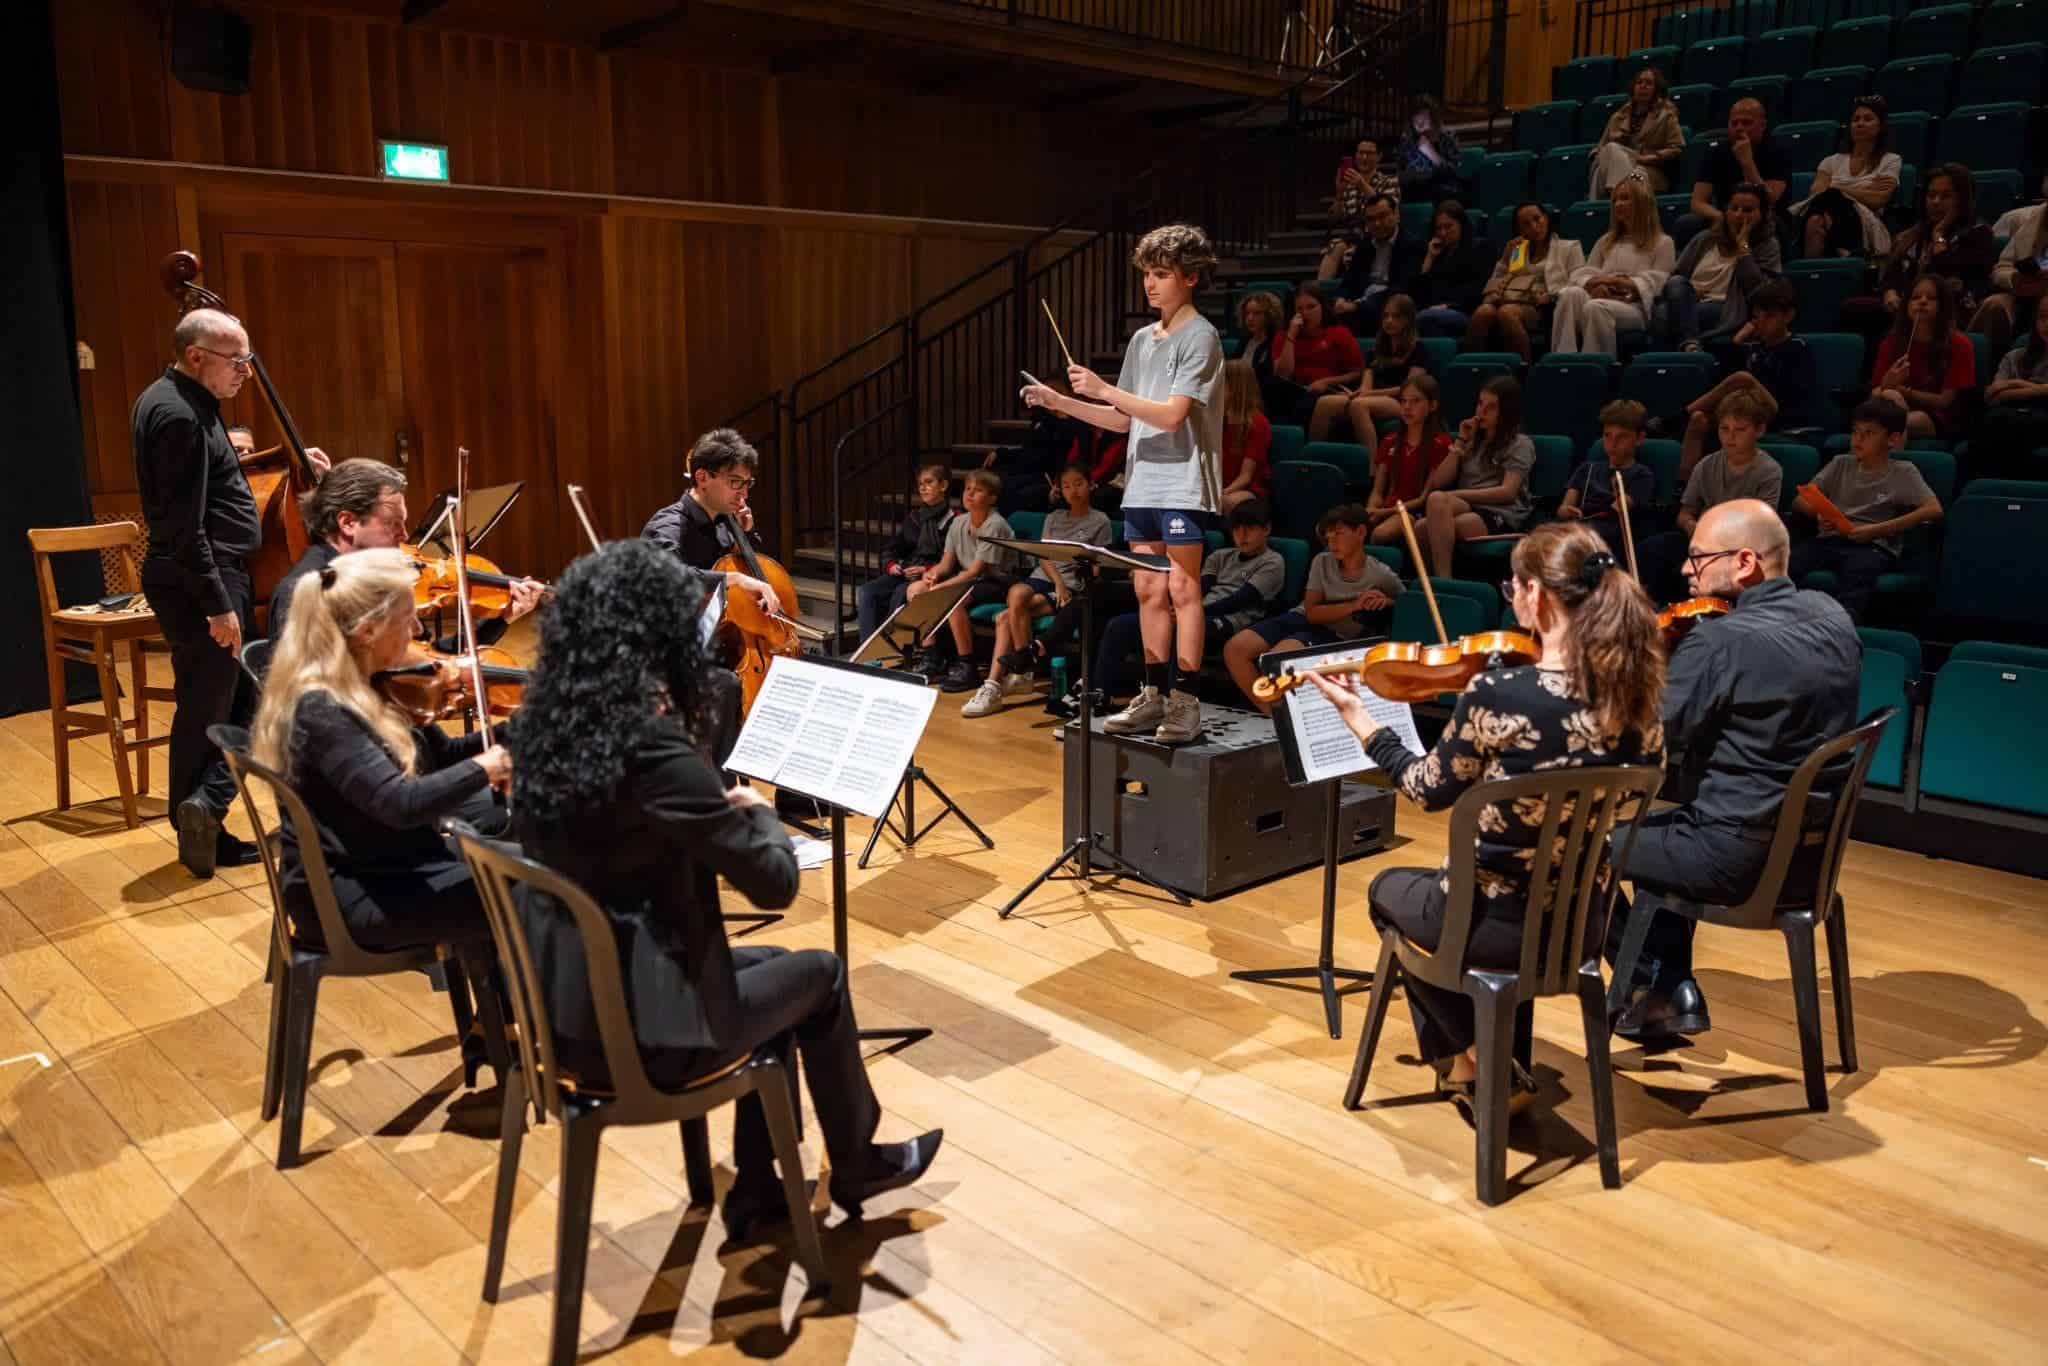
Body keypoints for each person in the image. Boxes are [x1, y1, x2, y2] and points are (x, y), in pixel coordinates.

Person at [506, 539, 942, 1239]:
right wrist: (760, 817)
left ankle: (764, 1188)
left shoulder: (536, 732)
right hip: (650, 1033)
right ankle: (849, 1163)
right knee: (821, 977)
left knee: (773, 969)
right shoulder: (651, 751)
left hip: (563, 1010)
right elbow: (772, 887)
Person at [1309, 522, 1665, 1113]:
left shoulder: (1500, 695)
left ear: (1539, 598)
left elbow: (1427, 790)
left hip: (1492, 922)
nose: (1513, 600)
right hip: (1582, 926)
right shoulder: (1641, 699)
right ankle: (1482, 1064)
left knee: (1386, 891)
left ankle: (1468, 1064)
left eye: (1514, 589)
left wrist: (1364, 722)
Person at [1606, 499, 1858, 1039]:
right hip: (1809, 859)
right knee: (1676, 824)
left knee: (1569, 847)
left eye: (1697, 559)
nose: (1684, 571)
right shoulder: (1831, 614)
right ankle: (1666, 994)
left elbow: (1644, 743)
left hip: (1734, 859)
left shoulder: (1720, 639)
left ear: (1744, 562)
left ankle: (1654, 983)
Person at [133, 307, 331, 877]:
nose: (247, 369)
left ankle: (204, 813)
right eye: (236, 359)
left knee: (235, 700)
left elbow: (217, 480)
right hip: (207, 578)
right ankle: (200, 824)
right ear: (196, 356)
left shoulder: (185, 403)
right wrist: (218, 604)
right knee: (210, 707)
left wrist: (287, 457)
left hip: (216, 572)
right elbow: (184, 525)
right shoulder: (179, 417)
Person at [248, 548, 510, 968]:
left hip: (388, 864)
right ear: (369, 630)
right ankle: (530, 1027)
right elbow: (400, 805)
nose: (419, 629)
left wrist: (519, 732)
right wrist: (490, 765)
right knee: (540, 893)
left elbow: (441, 755)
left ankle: (499, 1028)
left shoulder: (371, 684)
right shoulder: (322, 709)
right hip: (354, 896)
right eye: (408, 619)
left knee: (529, 862)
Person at [1023, 223, 1225, 743]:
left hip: (1182, 483)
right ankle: (1154, 693)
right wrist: (1062, 401)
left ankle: (1187, 701)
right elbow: (1124, 419)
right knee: (1147, 588)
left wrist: (1106, 387)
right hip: (1143, 485)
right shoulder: (1142, 339)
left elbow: (1173, 415)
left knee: (1183, 588)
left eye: (1162, 275)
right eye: (1147, 275)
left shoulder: (1201, 337)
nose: (1151, 285)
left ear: (1191, 278)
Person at [265, 458, 545, 643]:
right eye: (392, 523)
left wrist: (504, 617)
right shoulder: (306, 593)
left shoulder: (369, 579)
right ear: (348, 523)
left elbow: (431, 666)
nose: (403, 534)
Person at [961, 464, 1110, 717]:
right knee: (1017, 594)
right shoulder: (1053, 517)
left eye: (1078, 484)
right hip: (1046, 579)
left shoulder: (1100, 520)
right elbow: (1044, 556)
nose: (1072, 490)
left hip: (1072, 585)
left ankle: (1000, 682)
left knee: (1005, 617)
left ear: (1090, 485)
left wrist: (1076, 587)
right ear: (1059, 490)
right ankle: (1024, 669)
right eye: (1066, 486)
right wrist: (1058, 584)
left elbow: (1098, 564)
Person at [1222, 504, 1403, 712]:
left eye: (1339, 534)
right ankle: (1272, 715)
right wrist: (1354, 605)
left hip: (1335, 632)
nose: (1331, 542)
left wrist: (1386, 601)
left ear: (1360, 532)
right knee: (1235, 649)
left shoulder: (1380, 574)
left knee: (1276, 662)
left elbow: (1406, 602)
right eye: (1328, 536)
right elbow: (1312, 611)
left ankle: (1281, 720)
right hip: (1302, 617)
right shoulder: (1322, 560)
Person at [1099, 497, 1284, 698]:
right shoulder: (1221, 556)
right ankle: (1105, 692)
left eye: (1250, 528)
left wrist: (1186, 615)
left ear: (1266, 529)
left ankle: (1171, 698)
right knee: (1119, 625)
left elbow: (1241, 600)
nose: (1242, 535)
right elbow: (1200, 588)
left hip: (1232, 621)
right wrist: (1177, 610)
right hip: (1194, 612)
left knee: (1179, 629)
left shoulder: (1272, 562)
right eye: (1237, 529)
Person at [1790, 398, 1942, 621]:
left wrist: (1877, 530)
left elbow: (1934, 509)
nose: (1858, 439)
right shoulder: (1841, 463)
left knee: (1860, 570)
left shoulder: (1903, 472)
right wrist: (1819, 514)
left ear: (1893, 439)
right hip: (1831, 539)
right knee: (1788, 561)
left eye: (1868, 433)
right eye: (1855, 432)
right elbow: (1799, 500)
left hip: (1871, 546)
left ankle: (1841, 625)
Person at [1642, 392, 1782, 601]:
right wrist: (1691, 525)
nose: (1730, 437)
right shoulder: (1706, 465)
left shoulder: (1769, 471)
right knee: (1651, 549)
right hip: (1702, 539)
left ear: (1759, 430)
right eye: (1724, 429)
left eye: (1739, 430)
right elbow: (1684, 512)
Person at [1844, 164, 1997, 340]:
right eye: (1931, 195)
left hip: (1949, 309)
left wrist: (1938, 237)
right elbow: (1892, 274)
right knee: (1853, 308)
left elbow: (1950, 277)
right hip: (1906, 306)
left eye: (1946, 196)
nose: (1936, 202)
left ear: (1962, 200)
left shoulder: (1978, 233)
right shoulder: (1913, 235)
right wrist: (1890, 292)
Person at [1679, 279, 1815, 477]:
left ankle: (1678, 416)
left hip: (1781, 414)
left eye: (1769, 316)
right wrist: (1737, 342)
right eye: (1757, 317)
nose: (1761, 323)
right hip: (1745, 411)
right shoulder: (1753, 348)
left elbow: (1792, 398)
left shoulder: (1798, 347)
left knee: (1743, 378)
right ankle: (1684, 490)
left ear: (1788, 316)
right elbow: (1723, 381)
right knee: (1698, 419)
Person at [903, 468, 1018, 691]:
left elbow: (976, 571)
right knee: (916, 590)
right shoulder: (959, 522)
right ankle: (932, 656)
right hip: (970, 580)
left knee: (951, 598)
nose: (969, 494)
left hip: (998, 582)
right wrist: (933, 575)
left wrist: (941, 587)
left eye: (978, 490)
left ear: (992, 498)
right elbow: (947, 564)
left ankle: (968, 665)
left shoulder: (995, 524)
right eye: (967, 489)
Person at [1417, 375, 1537, 575]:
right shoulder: (1472, 439)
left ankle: (1443, 581)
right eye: (1480, 404)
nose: (1481, 411)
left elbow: (1507, 493)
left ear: (1506, 412)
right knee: (1431, 508)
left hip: (1500, 513)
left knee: (1425, 527)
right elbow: (1438, 482)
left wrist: (1458, 495)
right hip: (1469, 506)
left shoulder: (1520, 443)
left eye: (1491, 407)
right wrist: (1461, 441)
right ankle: (1437, 582)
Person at [1553, 174, 1674, 356]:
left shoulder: (1662, 242)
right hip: (1602, 297)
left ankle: (1596, 367)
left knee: (1596, 308)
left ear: (1642, 202)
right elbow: (1582, 273)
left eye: (1625, 198)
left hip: (1635, 307)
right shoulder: (1606, 241)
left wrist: (1619, 283)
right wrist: (1594, 284)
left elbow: (1660, 282)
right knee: (1570, 294)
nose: (1617, 204)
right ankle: (1563, 359)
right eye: (1615, 200)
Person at [1659, 182, 1781, 350]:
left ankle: (1686, 348)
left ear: (1762, 214)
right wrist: (1689, 293)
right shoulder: (1705, 239)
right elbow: (1674, 277)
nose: (1739, 215)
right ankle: (1690, 347)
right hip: (1687, 300)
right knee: (1675, 285)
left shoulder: (1767, 246)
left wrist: (1743, 247)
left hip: (1725, 308)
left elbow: (1760, 292)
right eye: (1734, 208)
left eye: (1748, 210)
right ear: (1726, 211)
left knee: (1664, 316)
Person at [1465, 202, 1587, 362]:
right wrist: (1504, 260)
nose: (1534, 226)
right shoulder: (1517, 250)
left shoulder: (1569, 247)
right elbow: (1496, 282)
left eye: (1537, 219)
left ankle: (1523, 370)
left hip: (1546, 306)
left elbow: (1578, 282)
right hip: (1514, 299)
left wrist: (1552, 296)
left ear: (1546, 219)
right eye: (1526, 224)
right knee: (1483, 312)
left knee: (1507, 312)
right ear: (1520, 230)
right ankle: (1475, 367)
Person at [1788, 97, 1899, 262]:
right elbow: (1817, 192)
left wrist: (1837, 187)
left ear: (1880, 126)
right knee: (1815, 220)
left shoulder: (1890, 160)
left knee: (1827, 203)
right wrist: (1862, 191)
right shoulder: (1831, 161)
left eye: (1868, 119)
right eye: (1856, 119)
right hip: (1824, 215)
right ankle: (1840, 254)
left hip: (1866, 223)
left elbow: (1878, 200)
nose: (1860, 123)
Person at [1867, 273, 1976, 441]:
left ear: (1943, 306)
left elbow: (1944, 401)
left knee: (1894, 421)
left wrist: (1904, 392)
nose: (1922, 301)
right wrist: (1887, 384)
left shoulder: (1959, 344)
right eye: (1915, 297)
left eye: (1931, 298)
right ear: (1907, 305)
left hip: (1938, 416)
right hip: (1893, 409)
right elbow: (1875, 392)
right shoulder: (1891, 342)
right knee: (1889, 401)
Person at [856, 464, 955, 640]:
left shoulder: (954, 520)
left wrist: (926, 570)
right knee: (867, 591)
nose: (923, 488)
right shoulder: (914, 518)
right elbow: (891, 549)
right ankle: (867, 648)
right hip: (906, 571)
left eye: (928, 482)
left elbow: (953, 561)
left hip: (931, 575)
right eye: (920, 484)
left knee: (901, 592)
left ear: (943, 486)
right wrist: (893, 565)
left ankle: (890, 647)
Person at [1677, 97, 1789, 249]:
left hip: (1763, 217)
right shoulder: (1715, 153)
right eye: (1734, 123)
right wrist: (1721, 217)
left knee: (1772, 225)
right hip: (1726, 215)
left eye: (1746, 122)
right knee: (1687, 223)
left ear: (1762, 126)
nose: (1739, 128)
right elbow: (1697, 203)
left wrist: (1747, 163)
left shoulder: (1777, 151)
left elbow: (1768, 200)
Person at [1558, 400, 1657, 561]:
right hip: (1580, 530)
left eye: (1622, 437)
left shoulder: (1642, 475)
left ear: (1639, 439)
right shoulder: (1587, 469)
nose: (1613, 444)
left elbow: (1617, 509)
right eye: (1607, 436)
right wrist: (1568, 511)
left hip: (1611, 538)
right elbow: (1563, 509)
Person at [1366, 373, 1454, 547]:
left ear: (1432, 406)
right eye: (1403, 401)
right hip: (1386, 508)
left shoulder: (1441, 444)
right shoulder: (1390, 440)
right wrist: (1371, 509)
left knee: (1380, 534)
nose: (1407, 407)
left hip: (1415, 512)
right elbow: (1378, 490)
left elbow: (1422, 499)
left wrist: (1383, 513)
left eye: (1415, 401)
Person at [1324, 292, 1421, 441]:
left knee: (1358, 405)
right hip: (1371, 398)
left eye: (1396, 316)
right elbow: (1365, 386)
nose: (1389, 321)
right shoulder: (1374, 351)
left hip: (1401, 401)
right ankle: (1312, 457)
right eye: (1386, 316)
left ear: (1408, 320)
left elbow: (1407, 389)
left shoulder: (1418, 350)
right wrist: (1357, 393)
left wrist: (1366, 395)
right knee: (1325, 403)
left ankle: (1372, 462)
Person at [1268, 283, 1367, 429]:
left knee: (1307, 403)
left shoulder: (1338, 333)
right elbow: (1283, 374)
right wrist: (1291, 336)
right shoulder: (1284, 335)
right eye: (1299, 309)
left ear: (1322, 307)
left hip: (1326, 392)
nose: (1305, 313)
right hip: (1294, 391)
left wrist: (1327, 382)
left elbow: (1357, 372)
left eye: (1311, 307)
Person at [1333, 194, 1425, 339]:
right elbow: (1350, 279)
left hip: (1389, 305)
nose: (1376, 223)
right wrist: (1340, 298)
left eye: (1382, 216)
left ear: (1396, 215)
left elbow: (1402, 288)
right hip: (1360, 304)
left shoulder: (1411, 244)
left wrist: (1358, 306)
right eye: (1370, 219)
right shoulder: (1365, 245)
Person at [1974, 185, 2048, 361]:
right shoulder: (2035, 221)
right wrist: (2015, 279)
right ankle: (1986, 370)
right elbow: (2001, 268)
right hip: (2026, 296)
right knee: (1994, 304)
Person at [1976, 300, 2048, 479]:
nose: (2047, 323)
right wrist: (2040, 388)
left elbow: (2000, 389)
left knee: (2000, 423)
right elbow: (1991, 395)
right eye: (2042, 317)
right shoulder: (2014, 356)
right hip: (2010, 415)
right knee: (1996, 421)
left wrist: (2012, 384)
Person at [1589, 66, 1685, 199]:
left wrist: (1649, 158)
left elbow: (1676, 149)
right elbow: (1601, 147)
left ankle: (1614, 203)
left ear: (1657, 90)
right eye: (1639, 82)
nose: (1643, 86)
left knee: (1617, 164)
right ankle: (1622, 199)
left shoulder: (1666, 116)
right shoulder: (1618, 117)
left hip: (1647, 174)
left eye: (1648, 83)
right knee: (1609, 154)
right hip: (1622, 171)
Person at [1320, 136, 1402, 280]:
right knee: (1335, 248)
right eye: (1360, 152)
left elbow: (1387, 209)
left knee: (1351, 253)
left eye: (1369, 153)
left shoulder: (1390, 181)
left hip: (1379, 234)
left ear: (1379, 157)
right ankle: (1319, 293)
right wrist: (1339, 194)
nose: (1364, 157)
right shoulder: (1349, 186)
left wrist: (1362, 185)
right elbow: (1335, 219)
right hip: (1354, 235)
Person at [1409, 201, 1492, 337]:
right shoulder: (1435, 252)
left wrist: (1449, 306)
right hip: (1431, 309)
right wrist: (1429, 259)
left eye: (1448, 227)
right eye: (1439, 228)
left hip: (1464, 310)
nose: (1443, 233)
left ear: (1461, 225)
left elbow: (1479, 288)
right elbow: (1418, 294)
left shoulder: (1480, 248)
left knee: (1424, 319)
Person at [1217, 359, 1273, 513]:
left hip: (1248, 489)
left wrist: (1222, 493)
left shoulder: (1257, 423)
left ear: (1236, 388)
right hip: (1220, 486)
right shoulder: (1217, 420)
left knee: (1225, 503)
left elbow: (1246, 477)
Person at [1397, 96, 1464, 204]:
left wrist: (1431, 154)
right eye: (1416, 117)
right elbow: (1400, 174)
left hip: (1443, 194)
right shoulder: (1408, 140)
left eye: (1424, 117)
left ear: (1433, 118)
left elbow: (1456, 173)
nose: (1419, 122)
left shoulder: (1447, 138)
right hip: (1413, 193)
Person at [1237, 289, 1288, 395]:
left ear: (1270, 316)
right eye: (1247, 313)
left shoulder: (1277, 340)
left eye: (1256, 313)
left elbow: (1276, 378)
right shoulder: (1245, 341)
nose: (1250, 318)